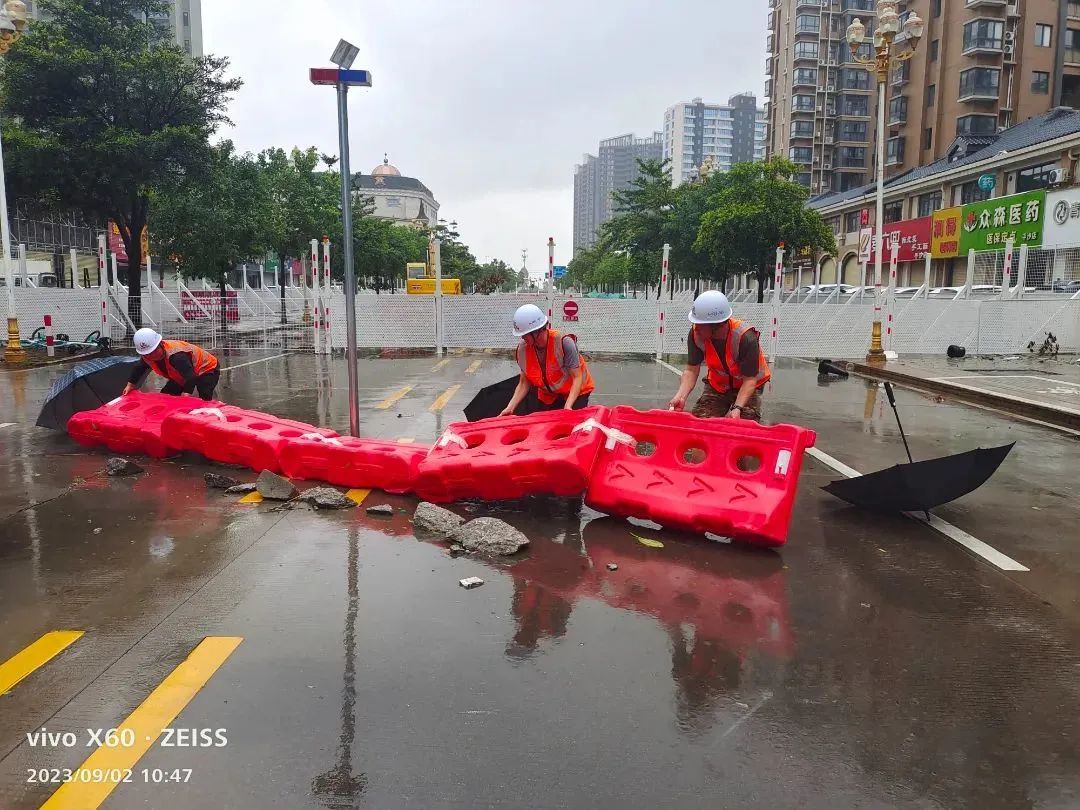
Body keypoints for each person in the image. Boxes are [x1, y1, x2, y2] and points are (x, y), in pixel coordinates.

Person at [667, 290, 770, 422]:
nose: (696, 327)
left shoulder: (745, 337)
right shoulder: (696, 334)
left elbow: (750, 380)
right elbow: (691, 370)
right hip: (718, 386)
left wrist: (737, 408)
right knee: (702, 423)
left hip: (748, 386)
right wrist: (681, 397)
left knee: (742, 426)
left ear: (717, 326)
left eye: (700, 325)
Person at [500, 304, 595, 416]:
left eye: (525, 334)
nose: (522, 338)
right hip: (549, 395)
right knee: (545, 422)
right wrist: (510, 407)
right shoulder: (523, 350)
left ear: (537, 331)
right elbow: (524, 383)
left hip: (575, 392)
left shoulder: (564, 343)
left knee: (571, 422)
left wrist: (568, 407)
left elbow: (577, 377)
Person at [122, 328, 221, 401]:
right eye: (147, 354)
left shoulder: (176, 356)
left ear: (161, 344)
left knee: (204, 396)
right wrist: (130, 385)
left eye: (154, 351)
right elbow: (139, 368)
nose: (152, 356)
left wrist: (186, 394)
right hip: (182, 373)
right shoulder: (147, 357)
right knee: (166, 396)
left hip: (207, 368)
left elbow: (191, 377)